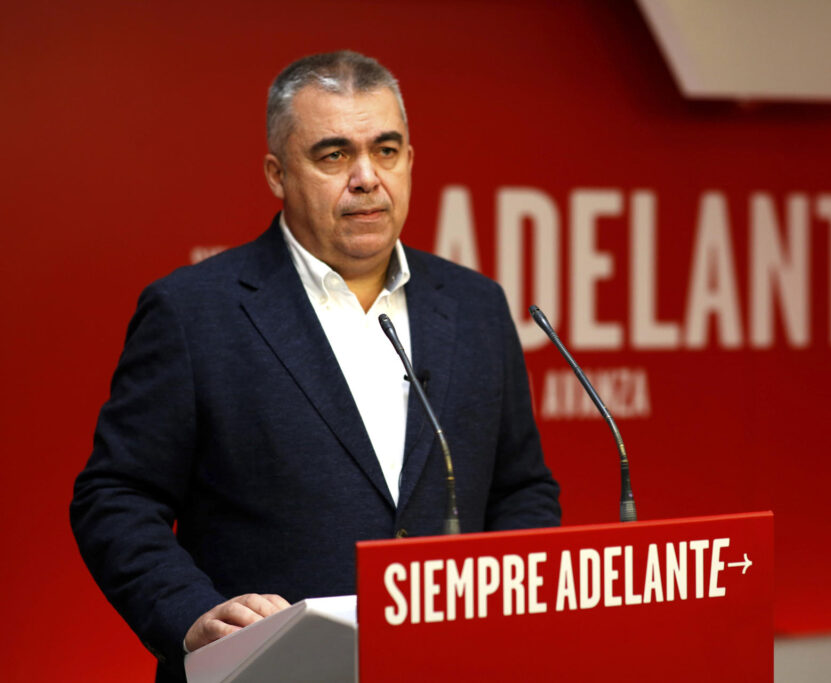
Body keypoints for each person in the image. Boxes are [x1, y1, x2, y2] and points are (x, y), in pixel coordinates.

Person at [70, 50, 561, 683]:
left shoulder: (475, 305)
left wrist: (507, 610)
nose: (367, 177)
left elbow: (521, 488)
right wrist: (190, 615)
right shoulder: (193, 312)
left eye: (386, 151)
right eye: (333, 155)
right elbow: (115, 496)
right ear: (277, 174)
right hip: (265, 670)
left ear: (410, 160)